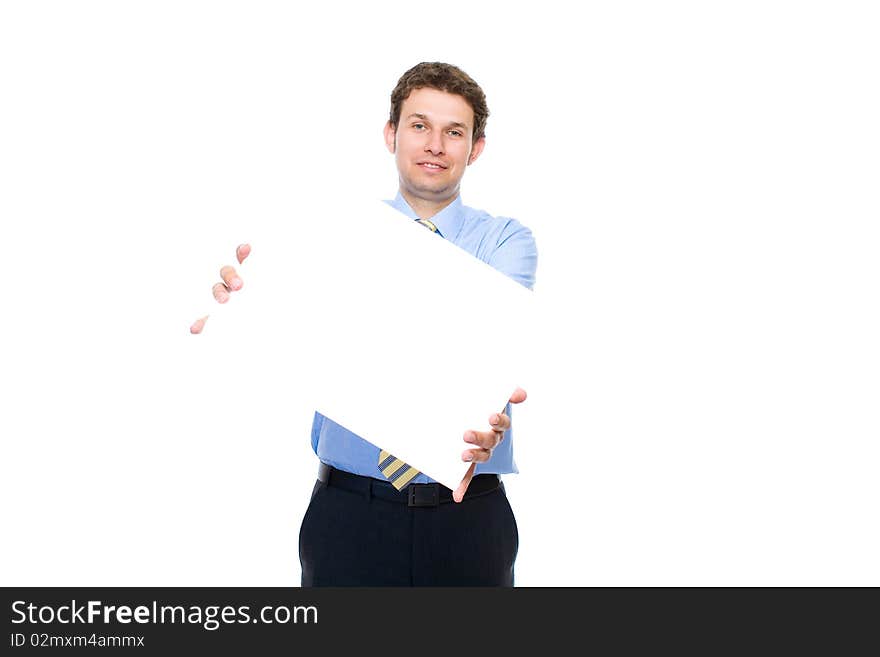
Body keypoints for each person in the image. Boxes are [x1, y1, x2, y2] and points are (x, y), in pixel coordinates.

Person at [191, 62, 538, 585]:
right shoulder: (329, 236)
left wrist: (342, 315)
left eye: (454, 132)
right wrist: (254, 306)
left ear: (476, 147)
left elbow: (481, 345)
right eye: (419, 125)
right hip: (348, 513)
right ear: (391, 134)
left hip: (470, 518)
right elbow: (440, 342)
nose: (435, 145)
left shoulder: (507, 242)